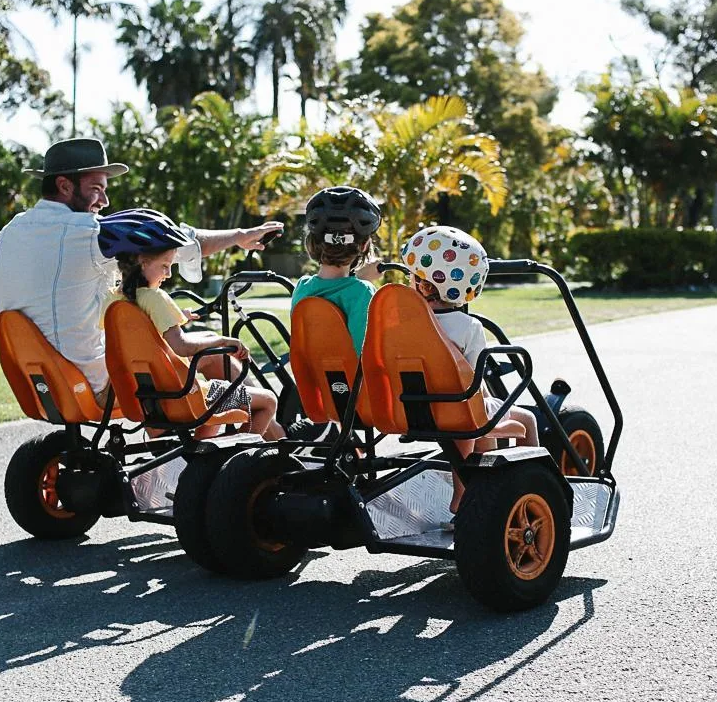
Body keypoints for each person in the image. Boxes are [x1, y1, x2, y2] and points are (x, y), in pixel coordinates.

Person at [0, 137, 282, 400]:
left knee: (165, 346)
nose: (105, 201)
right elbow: (174, 243)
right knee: (212, 354)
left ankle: (179, 446)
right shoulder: (87, 234)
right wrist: (238, 236)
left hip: (40, 379)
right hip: (93, 381)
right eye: (96, 189)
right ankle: (271, 423)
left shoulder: (9, 232)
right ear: (65, 186)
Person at [401, 225, 538, 518]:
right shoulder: (469, 327)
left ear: (419, 283)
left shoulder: (401, 324)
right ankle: (532, 490)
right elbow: (475, 378)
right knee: (526, 418)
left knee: (479, 420)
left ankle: (475, 492)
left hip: (411, 408)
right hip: (459, 411)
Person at [107, 232, 286, 440]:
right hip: (187, 397)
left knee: (216, 408)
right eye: (165, 266)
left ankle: (202, 460)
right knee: (268, 401)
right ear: (142, 262)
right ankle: (244, 457)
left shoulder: (114, 301)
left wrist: (175, 316)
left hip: (149, 398)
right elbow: (182, 346)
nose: (169, 274)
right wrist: (224, 341)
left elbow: (139, 331)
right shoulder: (154, 297)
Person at [288, 186, 382, 353]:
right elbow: (365, 355)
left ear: (313, 243)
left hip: (311, 379)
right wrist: (363, 281)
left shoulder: (302, 288)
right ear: (364, 245)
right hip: (352, 379)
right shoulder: (362, 292)